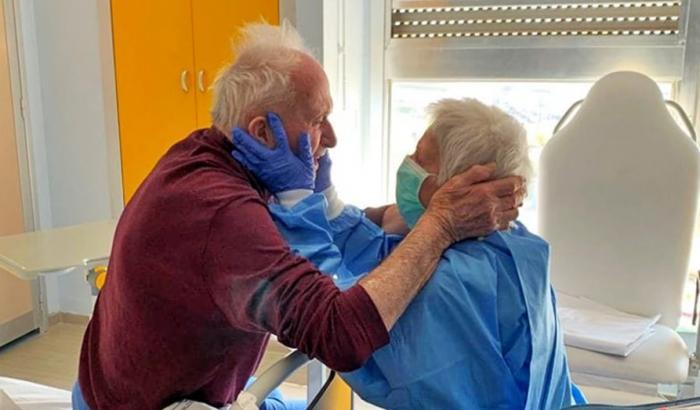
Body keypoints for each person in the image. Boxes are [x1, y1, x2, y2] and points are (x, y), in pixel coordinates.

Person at [73, 22, 524, 410]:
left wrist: (405, 211)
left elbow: (321, 235)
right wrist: (440, 226)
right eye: (317, 119)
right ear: (262, 133)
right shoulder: (222, 212)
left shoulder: (209, 153)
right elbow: (340, 335)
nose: (332, 136)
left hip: (134, 380)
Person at [259, 98, 580, 409]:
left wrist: (296, 202)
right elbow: (392, 259)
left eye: (420, 159)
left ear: (459, 186)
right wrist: (327, 202)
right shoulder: (514, 244)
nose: (407, 165)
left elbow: (336, 321)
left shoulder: (448, 285)